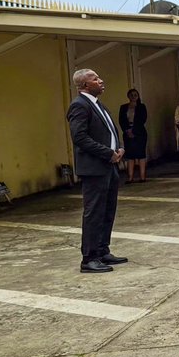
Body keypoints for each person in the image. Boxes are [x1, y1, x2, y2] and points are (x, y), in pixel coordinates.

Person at [66, 69, 127, 274]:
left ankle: (102, 250)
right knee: (94, 213)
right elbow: (80, 138)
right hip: (94, 169)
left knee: (108, 210)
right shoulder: (79, 105)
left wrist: (119, 148)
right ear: (85, 85)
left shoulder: (97, 104)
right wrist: (107, 153)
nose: (101, 81)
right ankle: (89, 258)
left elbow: (109, 130)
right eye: (95, 79)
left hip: (109, 166)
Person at [118, 88, 148, 183]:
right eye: (131, 95)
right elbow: (121, 120)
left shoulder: (141, 107)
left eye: (135, 95)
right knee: (130, 155)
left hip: (140, 133)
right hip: (127, 133)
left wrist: (134, 131)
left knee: (141, 154)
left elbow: (142, 119)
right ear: (128, 96)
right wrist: (127, 131)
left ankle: (142, 177)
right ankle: (130, 177)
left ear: (138, 96)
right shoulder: (123, 107)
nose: (133, 96)